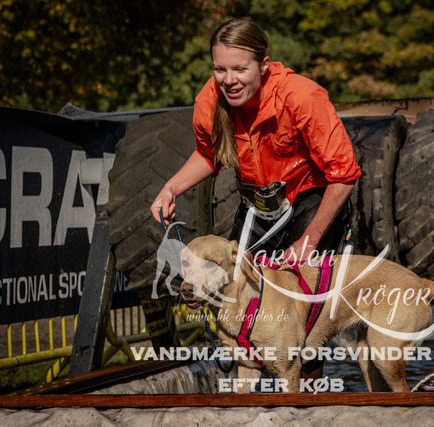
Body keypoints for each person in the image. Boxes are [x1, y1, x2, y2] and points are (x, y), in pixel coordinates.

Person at [150, 19, 361, 378]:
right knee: (233, 286)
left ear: (263, 66)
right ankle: (245, 384)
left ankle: (307, 388)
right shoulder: (209, 100)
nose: (228, 80)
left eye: (239, 69)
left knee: (299, 302)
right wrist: (171, 188)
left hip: (309, 196)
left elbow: (344, 175)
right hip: (258, 202)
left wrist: (308, 240)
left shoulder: (301, 96)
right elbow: (209, 154)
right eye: (219, 69)